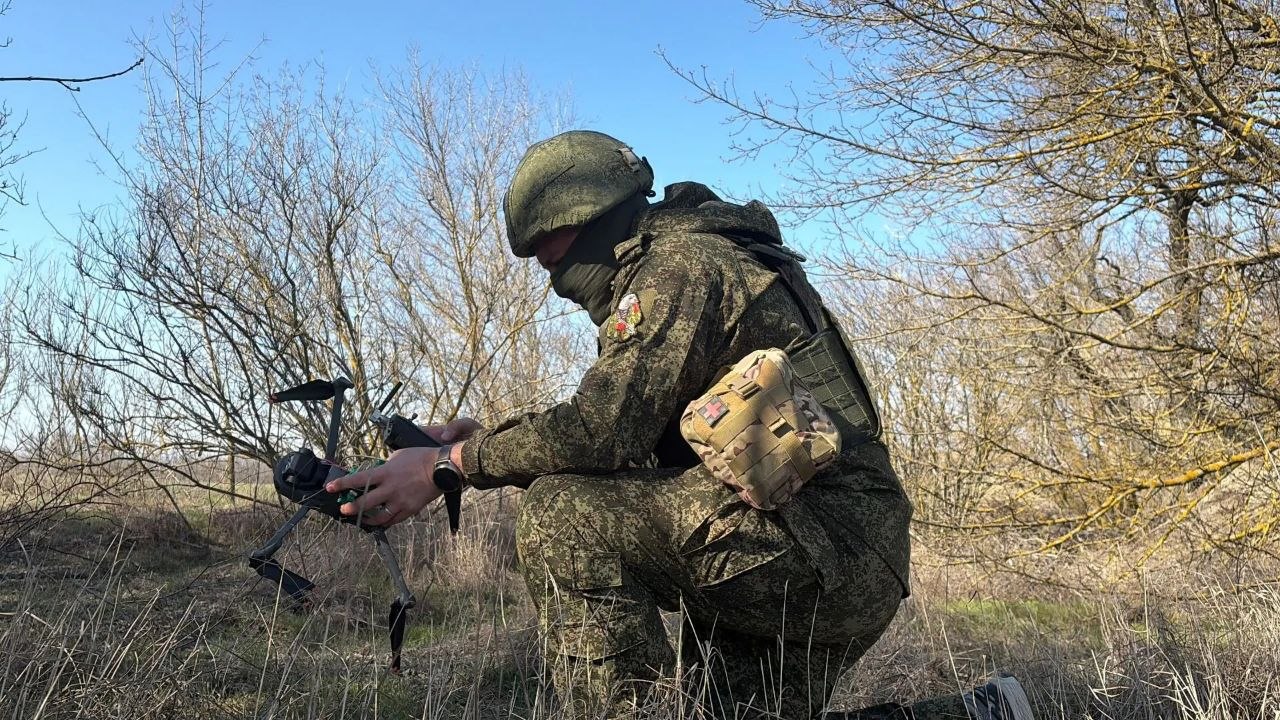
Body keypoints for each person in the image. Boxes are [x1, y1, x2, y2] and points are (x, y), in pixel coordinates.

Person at [326, 130, 1034, 720]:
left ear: (591, 218)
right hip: (830, 547)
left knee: (563, 514)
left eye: (555, 252)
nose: (552, 275)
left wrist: (452, 466)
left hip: (822, 544)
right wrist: (477, 439)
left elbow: (600, 433)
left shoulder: (679, 270)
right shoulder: (698, 260)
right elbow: (627, 432)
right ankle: (982, 714)